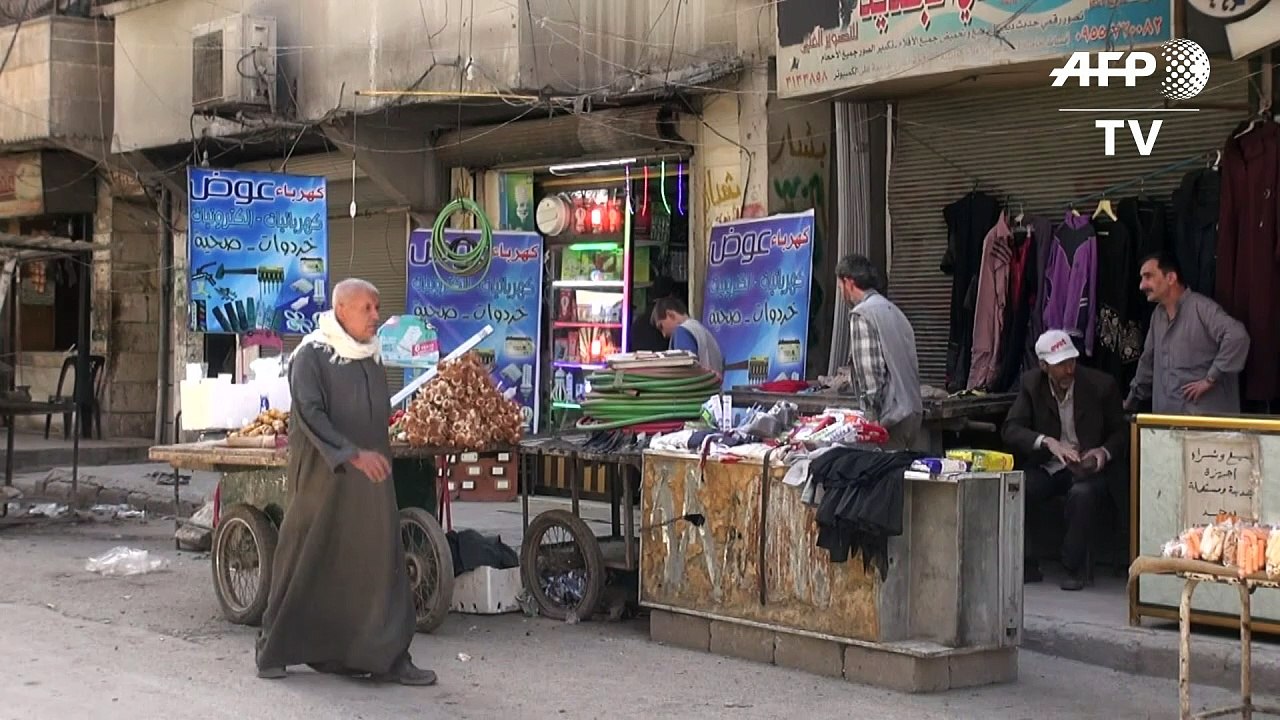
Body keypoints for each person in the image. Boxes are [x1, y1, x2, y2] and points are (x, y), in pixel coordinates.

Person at [255, 278, 435, 686]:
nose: (376, 316)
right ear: (340, 311)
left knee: (378, 562)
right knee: (306, 558)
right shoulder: (311, 356)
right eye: (366, 309)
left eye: (376, 307)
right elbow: (310, 413)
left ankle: (389, 656)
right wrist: (351, 453)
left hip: (371, 480)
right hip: (324, 477)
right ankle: (272, 649)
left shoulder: (370, 355)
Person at [1003, 330, 1128, 591]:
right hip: (1049, 465)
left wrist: (1102, 452)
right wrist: (1047, 442)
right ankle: (1025, 563)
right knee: (1017, 486)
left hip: (1087, 468)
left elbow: (1121, 432)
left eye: (1071, 361)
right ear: (1044, 366)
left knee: (1082, 495)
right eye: (1060, 365)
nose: (1069, 369)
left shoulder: (1102, 386)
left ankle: (1073, 567)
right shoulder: (1030, 384)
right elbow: (1011, 429)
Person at [1124, 253, 1250, 415]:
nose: (1142, 285)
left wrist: (1210, 379)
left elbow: (1237, 336)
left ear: (1171, 278)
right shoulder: (1158, 315)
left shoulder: (1201, 308)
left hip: (1205, 424)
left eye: (1148, 277)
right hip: (1167, 422)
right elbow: (1147, 362)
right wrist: (1130, 401)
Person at [835, 253, 923, 450]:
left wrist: (871, 417)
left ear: (849, 282)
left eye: (840, 286)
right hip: (913, 413)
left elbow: (870, 373)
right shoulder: (894, 312)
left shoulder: (862, 315)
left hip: (890, 420)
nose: (841, 292)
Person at [651, 296, 725, 376]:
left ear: (670, 314)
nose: (664, 334)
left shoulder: (682, 331)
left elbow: (684, 371)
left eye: (661, 326)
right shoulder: (704, 332)